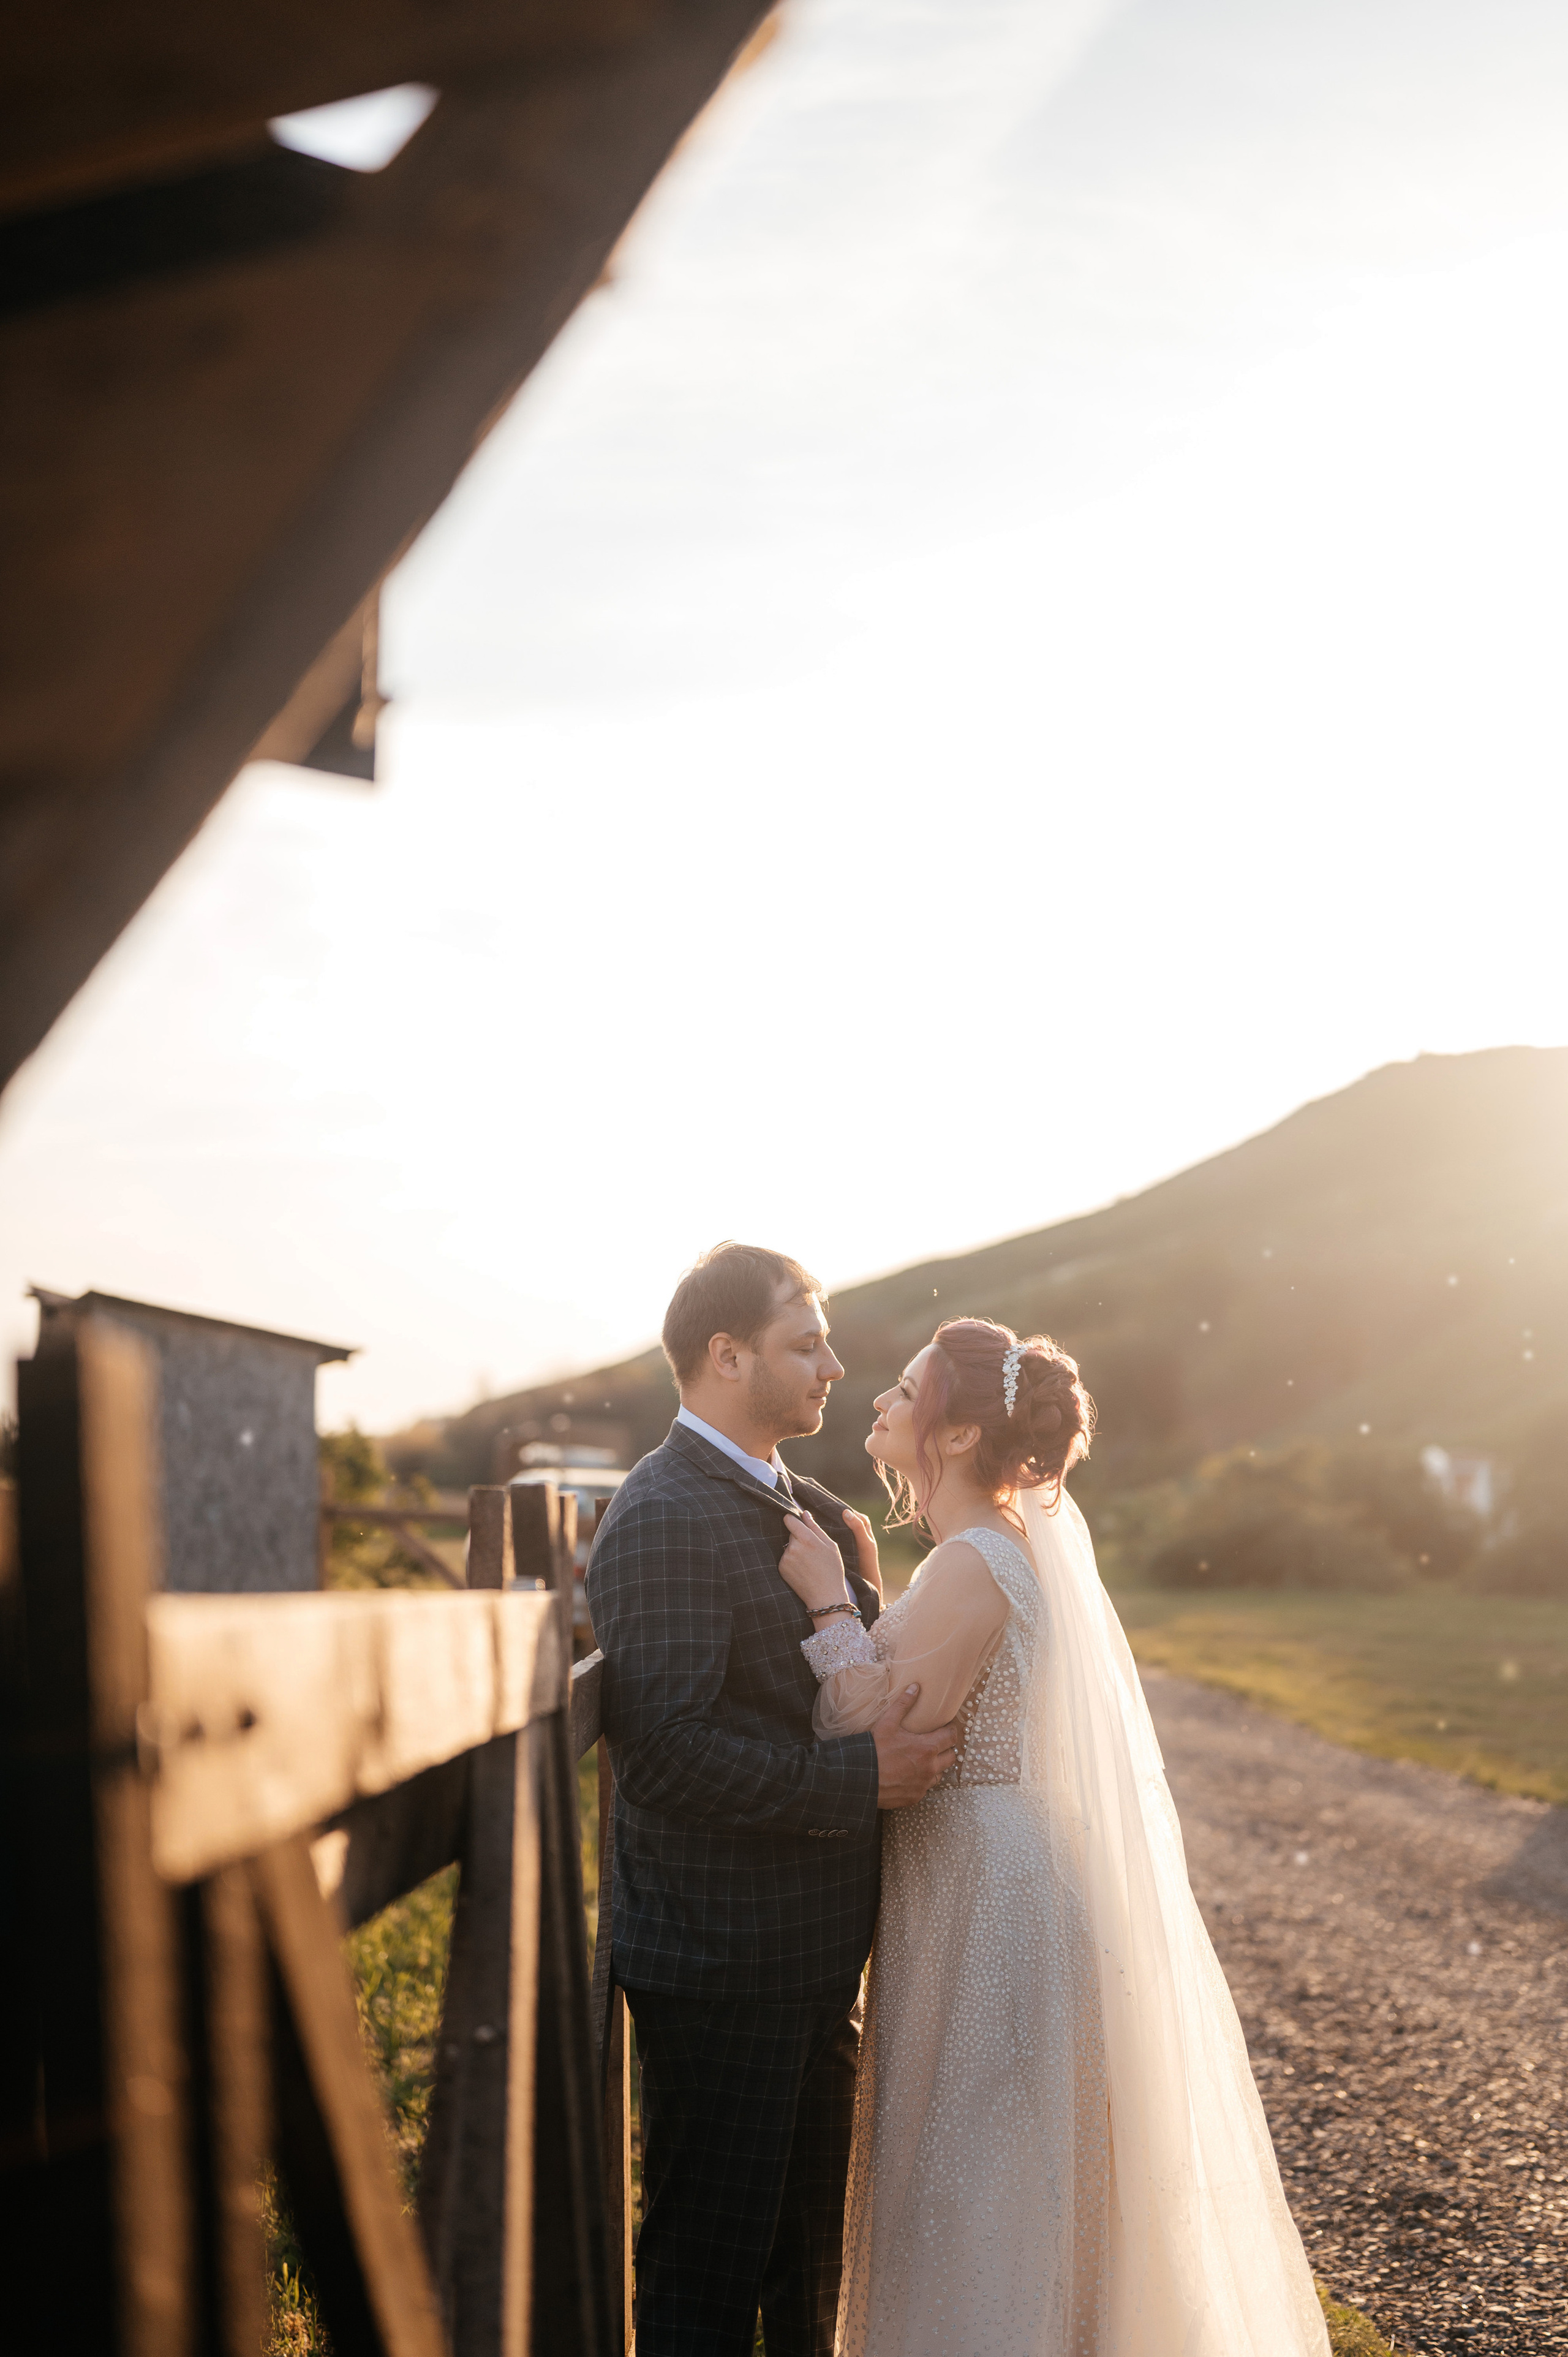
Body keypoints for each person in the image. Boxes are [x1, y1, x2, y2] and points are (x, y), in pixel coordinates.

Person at [775, 1315, 1330, 2357]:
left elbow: (867, 1728)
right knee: (984, 2170)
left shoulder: (976, 1561)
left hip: (989, 1901)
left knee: (977, 2182)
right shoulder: (982, 1552)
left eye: (905, 1390)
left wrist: (822, 1608)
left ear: (950, 1437)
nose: (883, 1403)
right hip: (976, 1881)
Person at [585, 1244, 959, 2357]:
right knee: (709, 2270)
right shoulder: (661, 1515)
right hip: (721, 1964)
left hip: (814, 1957)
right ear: (725, 1354)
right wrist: (859, 1777)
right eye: (807, 1344)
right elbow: (664, 1752)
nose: (836, 1365)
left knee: (808, 2277)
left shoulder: (811, 1507)